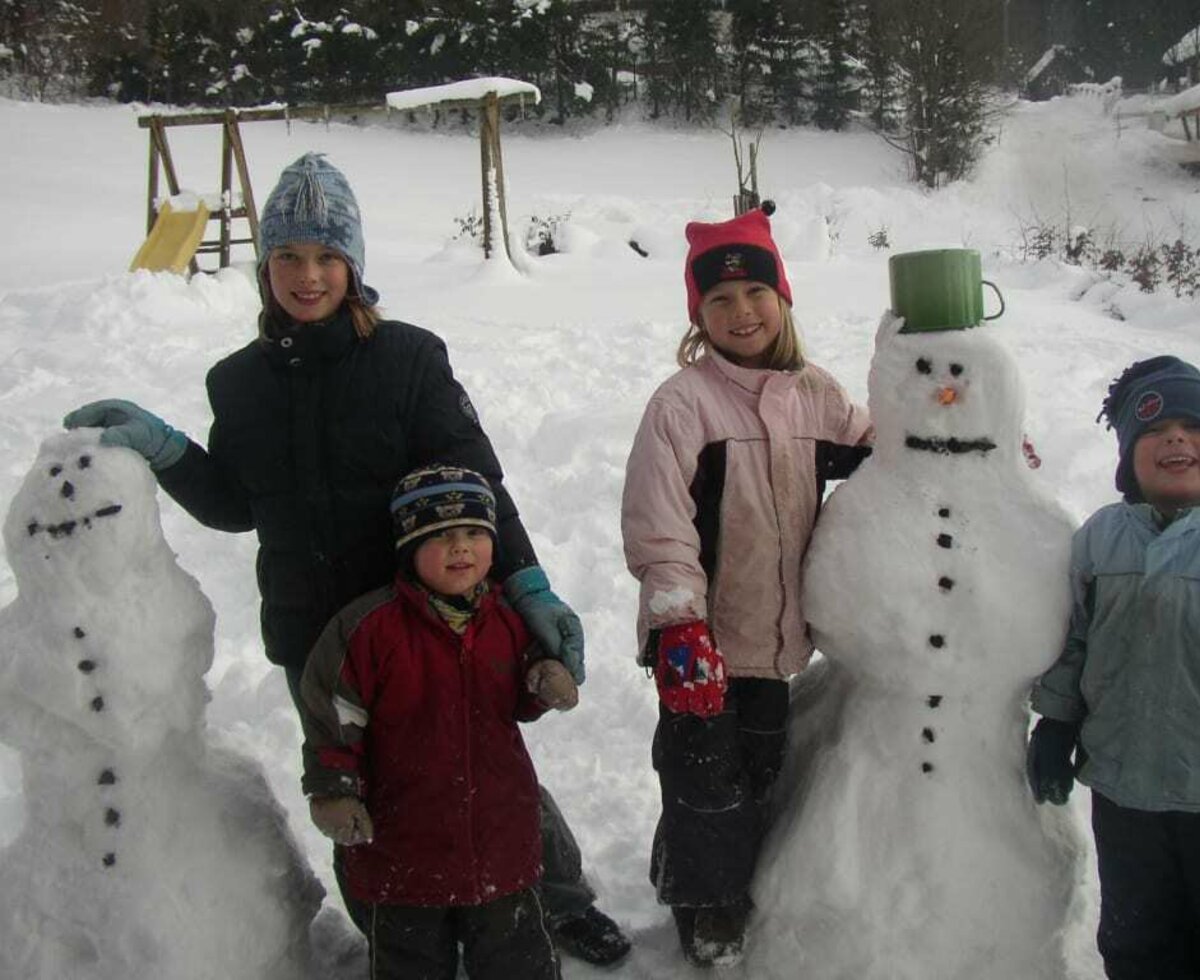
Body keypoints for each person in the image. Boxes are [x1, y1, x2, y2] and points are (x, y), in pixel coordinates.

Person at [63, 152, 629, 967]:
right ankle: (397, 930)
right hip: (312, 637)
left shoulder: (408, 361)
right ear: (265, 268)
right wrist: (166, 449)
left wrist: (525, 579)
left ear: (354, 267)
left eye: (327, 257)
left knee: (483, 774)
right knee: (350, 787)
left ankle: (553, 899)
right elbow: (233, 502)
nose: (307, 275)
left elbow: (478, 481)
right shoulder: (239, 384)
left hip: (428, 624)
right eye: (289, 257)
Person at [620, 204, 872, 968]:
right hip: (698, 639)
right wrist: (677, 623)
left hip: (772, 639)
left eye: (755, 293)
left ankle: (723, 874)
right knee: (703, 777)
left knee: (758, 767)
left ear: (783, 298)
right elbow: (658, 522)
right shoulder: (682, 405)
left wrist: (968, 441)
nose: (741, 311)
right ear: (699, 317)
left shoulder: (814, 393)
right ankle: (707, 904)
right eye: (719, 301)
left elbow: (878, 448)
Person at [299, 464, 577, 979]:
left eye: (474, 533)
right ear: (409, 547)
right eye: (442, 535)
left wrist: (543, 678)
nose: (461, 548)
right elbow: (331, 717)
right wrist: (332, 789)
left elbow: (520, 695)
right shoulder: (369, 630)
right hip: (404, 852)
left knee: (518, 960)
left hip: (501, 844)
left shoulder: (508, 620)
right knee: (411, 965)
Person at [1027, 355, 1200, 980]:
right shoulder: (1100, 539)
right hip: (1125, 792)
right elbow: (1075, 641)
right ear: (1129, 456)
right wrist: (1055, 724)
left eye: (1193, 426)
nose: (1177, 438)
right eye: (1155, 431)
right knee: (1136, 941)